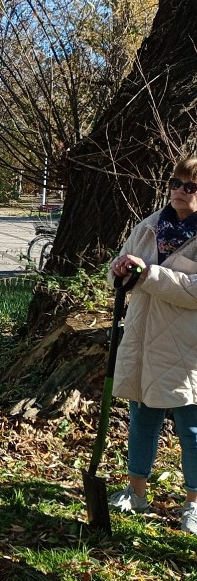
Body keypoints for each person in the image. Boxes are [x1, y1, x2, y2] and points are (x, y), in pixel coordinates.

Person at [107, 157, 197, 537]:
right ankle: (136, 492)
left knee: (191, 429)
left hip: (184, 348)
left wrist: (149, 274)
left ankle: (193, 505)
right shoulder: (148, 226)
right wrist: (120, 270)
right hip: (142, 338)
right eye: (176, 182)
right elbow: (125, 270)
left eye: (191, 187)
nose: (180, 191)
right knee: (142, 418)